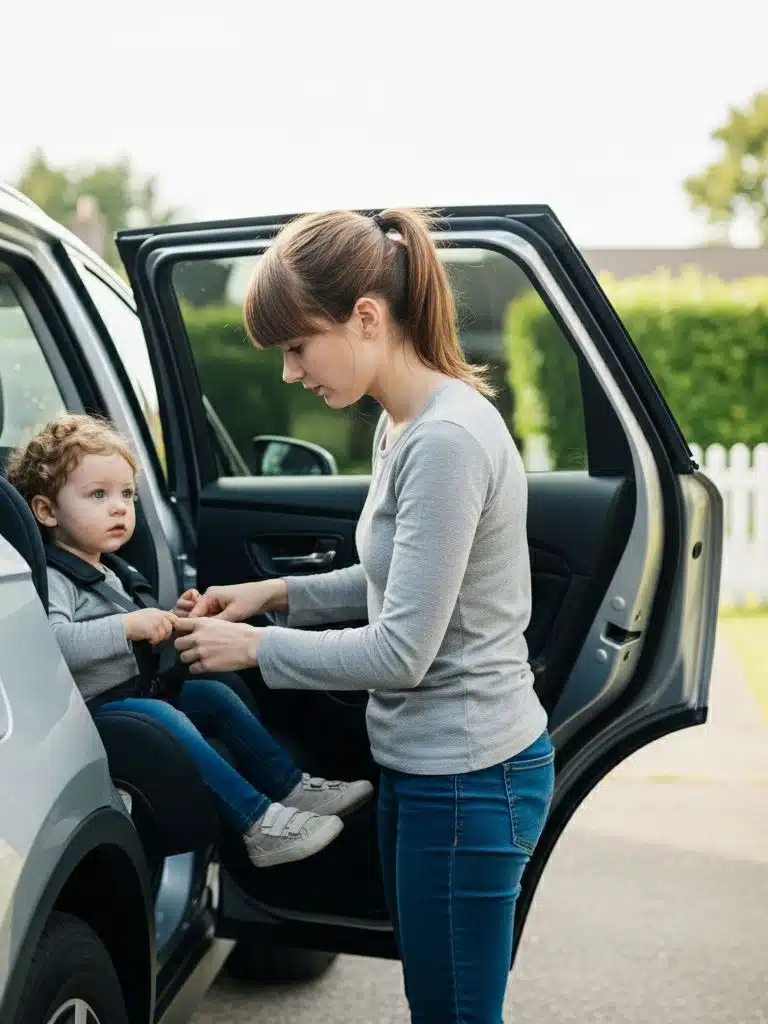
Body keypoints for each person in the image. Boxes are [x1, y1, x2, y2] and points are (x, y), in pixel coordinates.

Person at [172, 208, 555, 1022]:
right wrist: (275, 595)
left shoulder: (446, 441)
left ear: (367, 318)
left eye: (297, 346)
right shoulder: (403, 424)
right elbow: (398, 581)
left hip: (468, 779)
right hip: (429, 769)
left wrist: (254, 647)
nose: (289, 373)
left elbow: (401, 651)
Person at [7, 414, 373, 869]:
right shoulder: (57, 579)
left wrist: (173, 620)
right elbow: (54, 646)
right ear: (46, 511)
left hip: (131, 694)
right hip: (89, 713)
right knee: (163, 715)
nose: (120, 507)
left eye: (127, 494)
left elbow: (137, 640)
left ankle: (289, 786)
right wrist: (127, 627)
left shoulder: (114, 571)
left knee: (211, 693)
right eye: (98, 495)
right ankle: (258, 824)